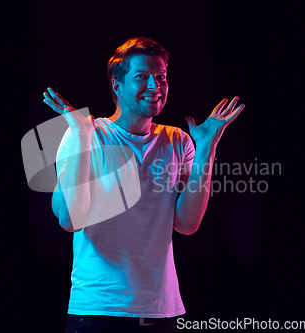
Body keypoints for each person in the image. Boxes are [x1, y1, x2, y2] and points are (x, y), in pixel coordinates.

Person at [43, 37, 245, 333]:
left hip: (160, 310)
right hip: (99, 309)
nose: (155, 86)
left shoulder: (178, 141)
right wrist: (83, 138)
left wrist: (206, 150)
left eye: (161, 77)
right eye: (142, 77)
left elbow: (187, 223)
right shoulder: (86, 134)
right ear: (117, 86)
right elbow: (70, 219)